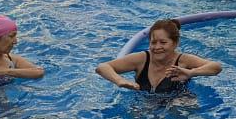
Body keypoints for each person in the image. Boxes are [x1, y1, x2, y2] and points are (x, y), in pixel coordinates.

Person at [95, 17, 223, 93]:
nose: (157, 47)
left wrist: (191, 72)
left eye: (163, 42)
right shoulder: (141, 59)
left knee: (184, 105)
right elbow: (102, 67)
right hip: (146, 103)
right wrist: (119, 80)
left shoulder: (183, 60)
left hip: (178, 99)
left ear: (175, 43)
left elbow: (216, 67)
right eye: (153, 42)